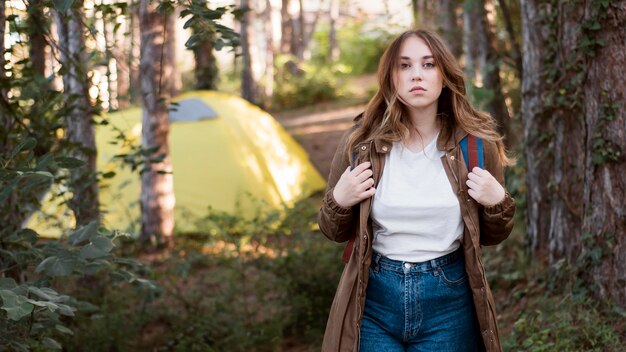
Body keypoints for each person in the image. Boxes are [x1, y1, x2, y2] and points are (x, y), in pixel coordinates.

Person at [317, 29, 516, 352]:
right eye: (405, 66)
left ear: (444, 74)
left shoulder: (476, 144)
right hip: (374, 300)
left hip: (449, 303)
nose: (417, 75)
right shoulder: (361, 144)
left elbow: (491, 235)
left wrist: (499, 204)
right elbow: (332, 230)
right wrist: (340, 201)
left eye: (428, 64)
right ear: (391, 78)